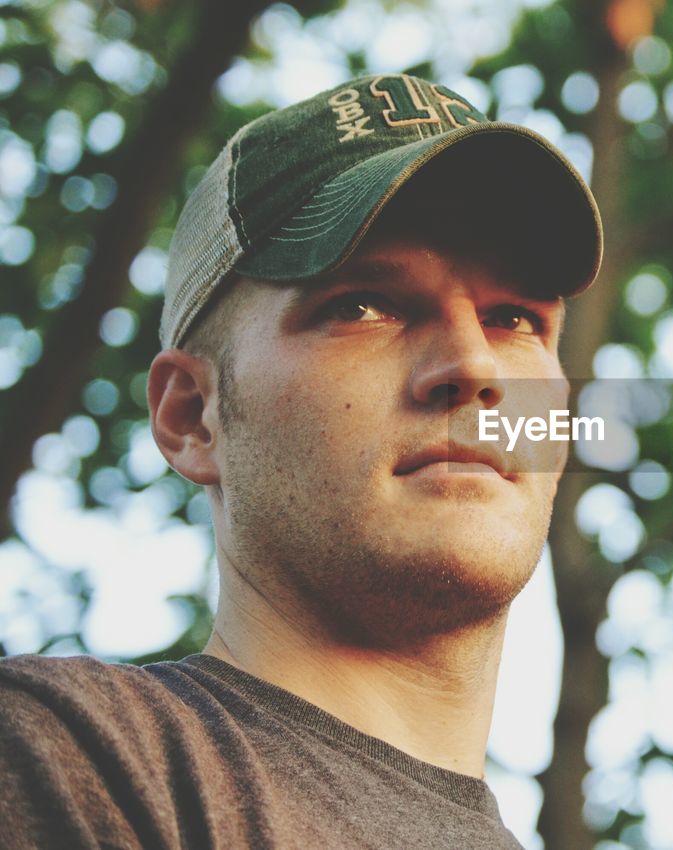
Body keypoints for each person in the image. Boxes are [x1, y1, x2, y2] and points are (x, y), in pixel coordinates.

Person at [0, 72, 603, 848]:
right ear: (192, 417)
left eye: (514, 318)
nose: (472, 364)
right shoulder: (67, 757)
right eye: (359, 307)